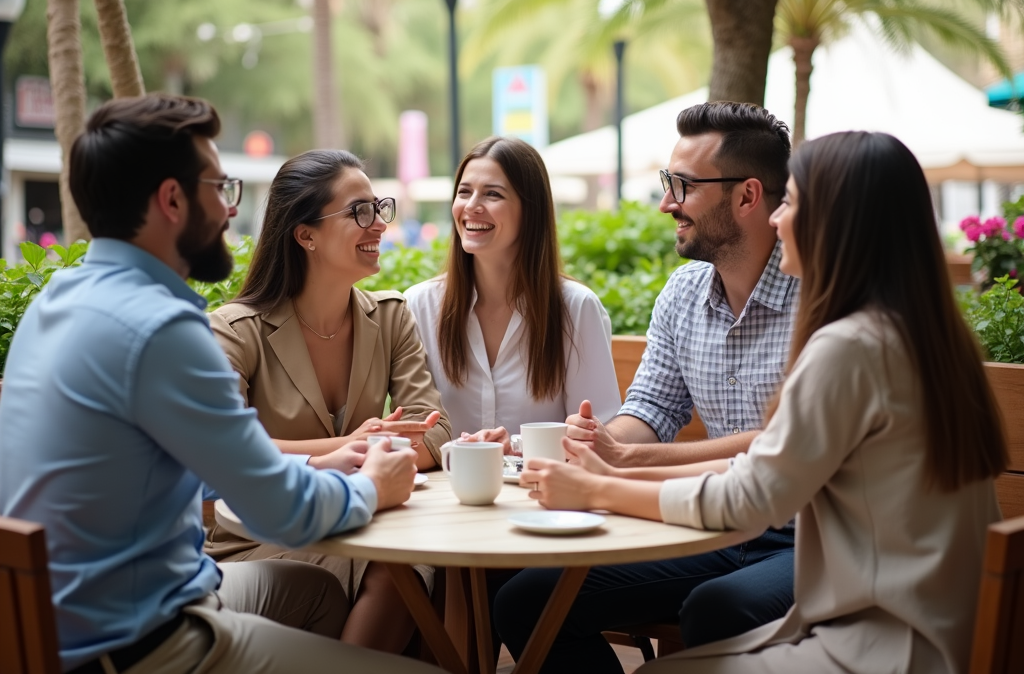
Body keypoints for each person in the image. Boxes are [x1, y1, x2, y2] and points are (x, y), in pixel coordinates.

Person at [521, 130, 1008, 674]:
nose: (778, 220)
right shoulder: (924, 335)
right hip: (920, 626)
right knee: (528, 600)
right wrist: (611, 457)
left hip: (890, 641)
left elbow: (752, 495)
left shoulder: (849, 345)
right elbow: (757, 463)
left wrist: (598, 488)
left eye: (793, 202)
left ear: (839, 223)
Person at [0, 94, 441, 674]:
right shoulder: (163, 328)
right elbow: (280, 514)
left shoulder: (57, 302)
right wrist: (373, 487)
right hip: (143, 642)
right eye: (220, 188)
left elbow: (208, 472)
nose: (231, 211)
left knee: (318, 595)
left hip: (63, 622)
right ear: (173, 200)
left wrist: (319, 464)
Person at [494, 102, 797, 672]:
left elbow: (779, 442)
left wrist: (624, 460)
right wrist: (592, 442)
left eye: (682, 185)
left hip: (804, 533)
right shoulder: (683, 293)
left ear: (748, 196)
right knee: (525, 601)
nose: (667, 203)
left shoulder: (819, 296)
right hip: (705, 521)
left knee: (717, 610)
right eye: (667, 182)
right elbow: (652, 408)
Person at [206, 149, 452, 654]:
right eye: (359, 211)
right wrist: (343, 448)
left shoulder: (390, 317)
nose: (379, 224)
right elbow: (221, 450)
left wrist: (371, 451)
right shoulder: (235, 330)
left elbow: (436, 429)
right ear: (306, 234)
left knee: (412, 564)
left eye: (380, 207)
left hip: (366, 522)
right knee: (403, 568)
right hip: (261, 539)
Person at [404, 135, 621, 448]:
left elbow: (598, 436)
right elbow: (412, 429)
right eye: (464, 192)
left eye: (493, 194)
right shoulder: (419, 306)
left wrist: (518, 447)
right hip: (443, 492)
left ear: (530, 211)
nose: (472, 206)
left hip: (545, 491)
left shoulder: (576, 308)